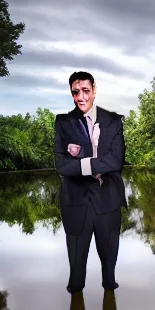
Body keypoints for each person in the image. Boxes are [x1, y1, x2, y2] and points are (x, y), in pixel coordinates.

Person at [54, 71, 126, 293]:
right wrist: (96, 164)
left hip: (109, 204)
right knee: (75, 277)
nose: (81, 97)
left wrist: (82, 164)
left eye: (86, 91)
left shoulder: (113, 121)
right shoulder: (63, 122)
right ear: (71, 94)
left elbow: (116, 160)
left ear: (94, 91)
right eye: (76, 92)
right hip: (76, 205)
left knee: (110, 276)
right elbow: (61, 165)